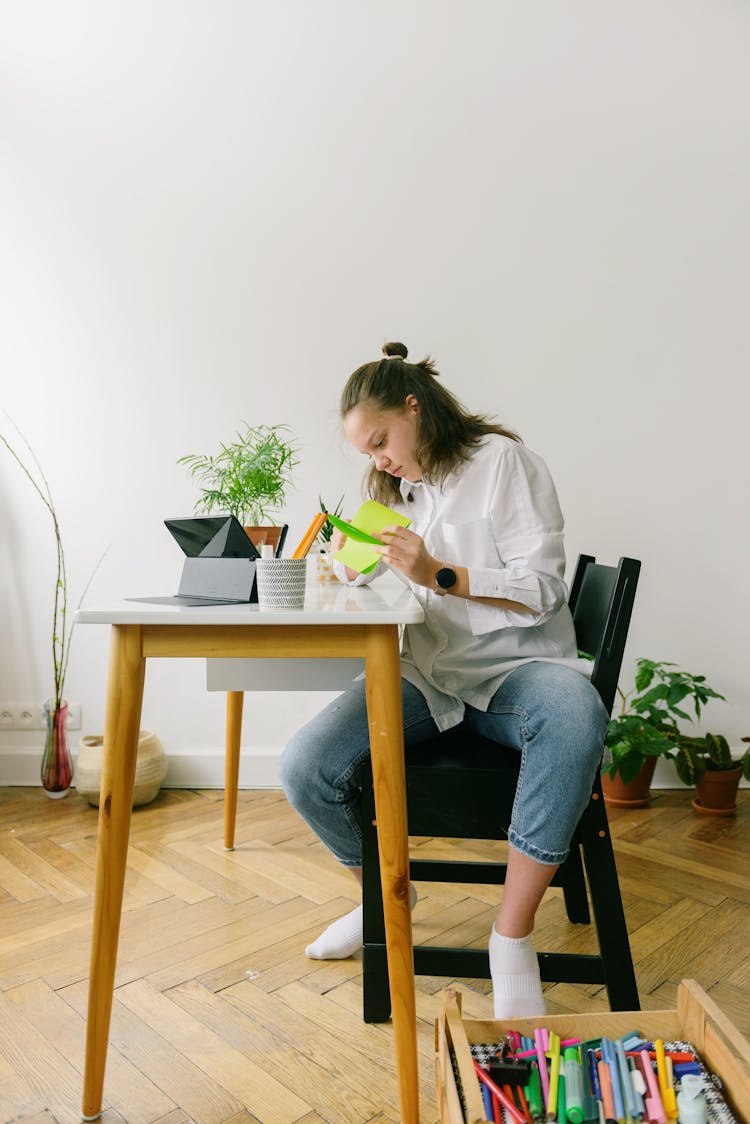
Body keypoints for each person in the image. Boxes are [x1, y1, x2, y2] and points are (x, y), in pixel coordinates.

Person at [279, 341, 609, 1018]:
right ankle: (380, 896)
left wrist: (436, 573)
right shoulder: (402, 494)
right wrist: (349, 571)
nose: (380, 460)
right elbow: (380, 590)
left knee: (575, 712)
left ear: (414, 407)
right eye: (367, 454)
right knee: (305, 765)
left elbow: (543, 590)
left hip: (519, 673)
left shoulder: (503, 464)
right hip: (432, 675)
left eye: (381, 442)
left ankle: (511, 939)